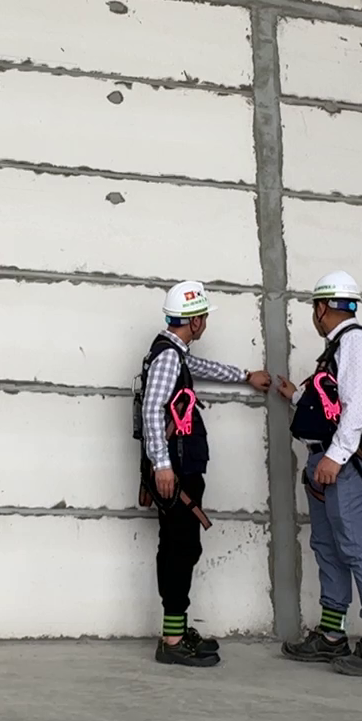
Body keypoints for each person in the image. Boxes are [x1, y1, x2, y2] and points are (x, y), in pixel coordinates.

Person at [134, 280, 271, 667]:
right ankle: (173, 641)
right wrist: (163, 466)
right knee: (180, 548)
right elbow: (152, 410)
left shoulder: (173, 354)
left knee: (180, 546)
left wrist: (245, 375)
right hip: (176, 473)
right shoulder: (168, 358)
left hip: (179, 469)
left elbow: (202, 367)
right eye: (204, 317)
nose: (206, 323)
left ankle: (175, 629)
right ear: (194, 322)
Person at [277, 271, 362, 677]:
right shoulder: (338, 346)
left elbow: (356, 406)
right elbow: (330, 402)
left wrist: (336, 456)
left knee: (357, 547)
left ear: (321, 308)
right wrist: (295, 395)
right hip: (326, 460)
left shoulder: (357, 343)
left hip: (343, 463)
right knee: (327, 546)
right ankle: (332, 635)